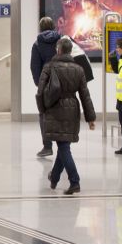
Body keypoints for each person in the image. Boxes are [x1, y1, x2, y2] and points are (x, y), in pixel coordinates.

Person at [38, 37, 97, 195]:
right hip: (72, 109)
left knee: (63, 147)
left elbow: (40, 92)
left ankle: (74, 181)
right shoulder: (78, 69)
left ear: (58, 50)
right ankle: (54, 177)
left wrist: (42, 110)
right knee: (64, 145)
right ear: (70, 51)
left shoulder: (49, 67)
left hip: (54, 109)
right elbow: (85, 95)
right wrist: (90, 118)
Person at [30, 16, 62, 158]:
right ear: (53, 26)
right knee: (62, 112)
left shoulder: (37, 44)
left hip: (46, 84)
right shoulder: (62, 41)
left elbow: (34, 66)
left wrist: (40, 83)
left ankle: (47, 146)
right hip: (62, 82)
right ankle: (63, 146)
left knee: (44, 114)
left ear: (40, 28)